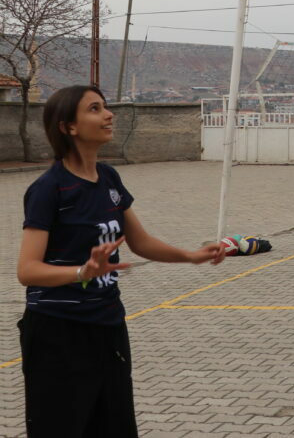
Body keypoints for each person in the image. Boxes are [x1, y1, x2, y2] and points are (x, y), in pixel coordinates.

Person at [17, 85, 225, 438]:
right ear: (69, 127)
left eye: (106, 106)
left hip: (108, 325)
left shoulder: (109, 178)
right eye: (95, 109)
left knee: (114, 427)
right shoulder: (49, 189)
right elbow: (27, 270)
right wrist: (83, 271)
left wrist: (191, 256)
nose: (109, 114)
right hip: (58, 332)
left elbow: (140, 243)